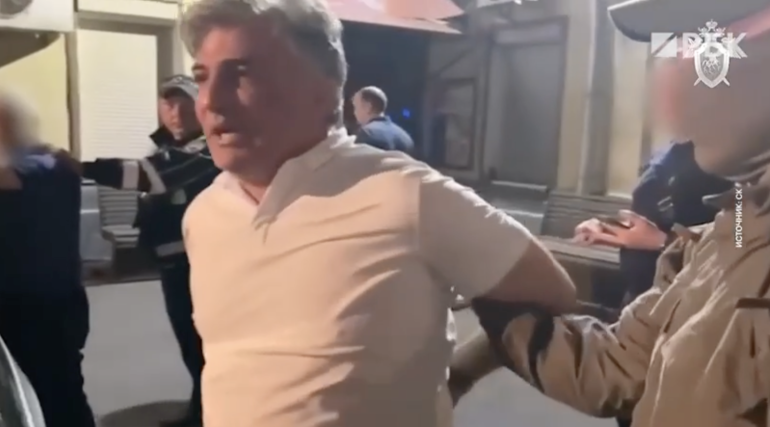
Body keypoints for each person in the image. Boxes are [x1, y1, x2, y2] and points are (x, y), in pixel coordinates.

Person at [178, 1, 577, 426]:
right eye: (202, 77)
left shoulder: (406, 194)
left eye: (242, 73)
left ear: (323, 89)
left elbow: (551, 294)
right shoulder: (204, 215)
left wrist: (460, 373)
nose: (210, 100)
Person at [449, 1, 770, 426]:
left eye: (708, 41)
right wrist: (492, 285)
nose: (677, 72)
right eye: (678, 47)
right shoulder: (734, 227)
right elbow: (621, 362)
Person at [76, 75, 217, 427]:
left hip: (202, 267)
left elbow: (148, 176)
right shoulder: (166, 153)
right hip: (174, 266)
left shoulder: (207, 150)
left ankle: (212, 415)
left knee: (206, 347)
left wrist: (78, 166)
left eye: (185, 103)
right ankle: (201, 412)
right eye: (168, 104)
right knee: (189, 344)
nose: (176, 113)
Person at [0, 91, 95, 427]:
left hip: (47, 308)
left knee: (59, 395)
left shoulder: (49, 163)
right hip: (17, 303)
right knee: (28, 394)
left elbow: (13, 178)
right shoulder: (19, 162)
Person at [575, 140, 732, 308]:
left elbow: (738, 245)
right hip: (640, 299)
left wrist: (663, 241)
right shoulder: (666, 157)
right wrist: (607, 228)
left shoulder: (733, 165)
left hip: (686, 304)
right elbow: (649, 215)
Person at [352, 86, 414, 154]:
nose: (354, 112)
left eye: (355, 107)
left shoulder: (367, 133)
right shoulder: (405, 136)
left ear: (368, 107)